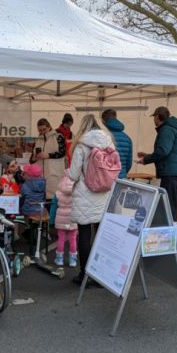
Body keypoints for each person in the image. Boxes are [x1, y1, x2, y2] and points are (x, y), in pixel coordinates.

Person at [69, 114, 116, 287]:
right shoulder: (109, 142)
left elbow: (73, 174)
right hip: (104, 193)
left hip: (85, 193)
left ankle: (85, 275)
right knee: (101, 235)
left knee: (85, 235)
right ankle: (101, 274)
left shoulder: (81, 144)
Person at [137, 106, 177, 221]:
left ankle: (170, 235)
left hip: (171, 174)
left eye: (154, 116)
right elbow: (166, 152)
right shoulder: (171, 129)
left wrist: (146, 160)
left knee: (168, 207)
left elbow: (163, 151)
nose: (154, 119)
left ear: (158, 116)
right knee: (170, 206)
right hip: (174, 173)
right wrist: (148, 156)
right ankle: (170, 233)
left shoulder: (166, 130)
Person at [30, 118, 66, 197]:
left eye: (44, 129)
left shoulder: (58, 137)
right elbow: (31, 160)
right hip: (40, 178)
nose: (42, 132)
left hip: (54, 175)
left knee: (54, 199)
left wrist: (48, 155)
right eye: (40, 130)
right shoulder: (38, 140)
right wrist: (34, 158)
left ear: (49, 127)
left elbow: (62, 152)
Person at [53, 169, 78, 267]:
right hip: (73, 217)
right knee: (73, 238)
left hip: (60, 218)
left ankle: (59, 259)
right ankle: (72, 261)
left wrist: (52, 219)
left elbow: (54, 207)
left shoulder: (58, 192)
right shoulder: (76, 192)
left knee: (61, 238)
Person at [101, 109, 132, 179]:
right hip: (121, 177)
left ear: (103, 121)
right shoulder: (128, 139)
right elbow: (129, 163)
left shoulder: (103, 136)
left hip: (106, 177)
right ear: (115, 118)